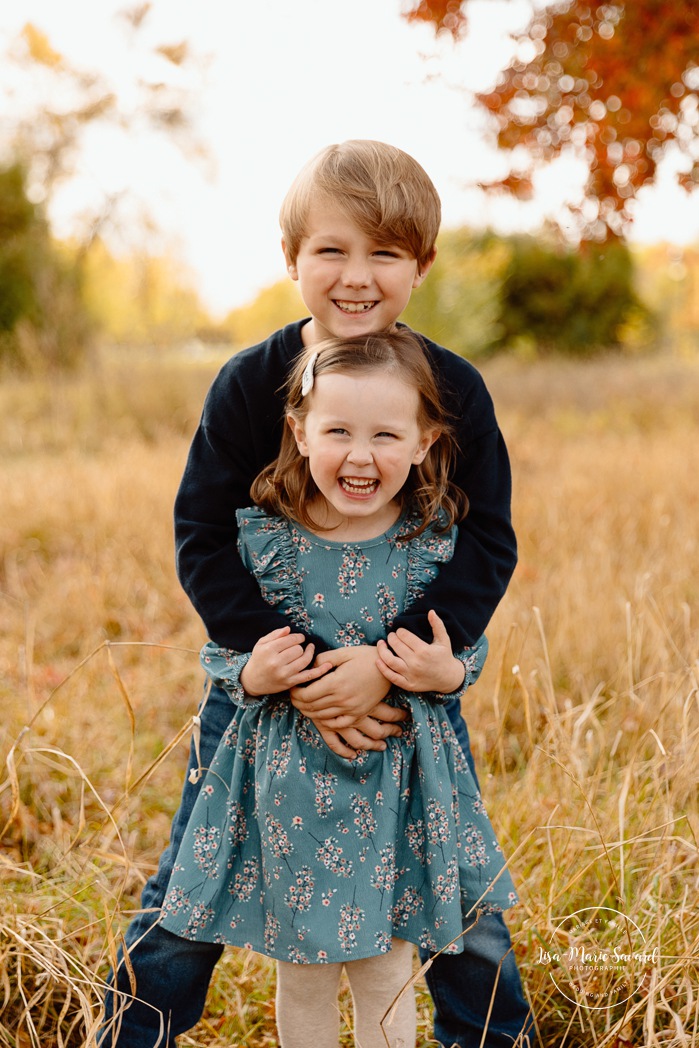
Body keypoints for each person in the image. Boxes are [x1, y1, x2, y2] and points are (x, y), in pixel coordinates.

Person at [98, 139, 533, 1047]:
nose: (356, 275)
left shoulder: (450, 389)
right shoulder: (252, 386)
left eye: (384, 252)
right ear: (290, 258)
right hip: (260, 692)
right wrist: (297, 669)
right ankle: (129, 1035)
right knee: (188, 879)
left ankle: (494, 1037)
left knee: (458, 890)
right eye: (331, 250)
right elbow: (204, 534)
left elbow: (485, 539)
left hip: (403, 703)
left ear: (422, 264)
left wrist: (385, 666)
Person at [158, 331, 518, 1048]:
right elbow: (230, 650)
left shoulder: (432, 541)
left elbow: (456, 655)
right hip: (293, 802)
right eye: (338, 433)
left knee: (386, 971)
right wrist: (257, 675)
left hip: (398, 793)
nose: (360, 456)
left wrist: (443, 674)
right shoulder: (269, 544)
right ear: (298, 433)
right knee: (304, 979)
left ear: (424, 443)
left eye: (386, 434)